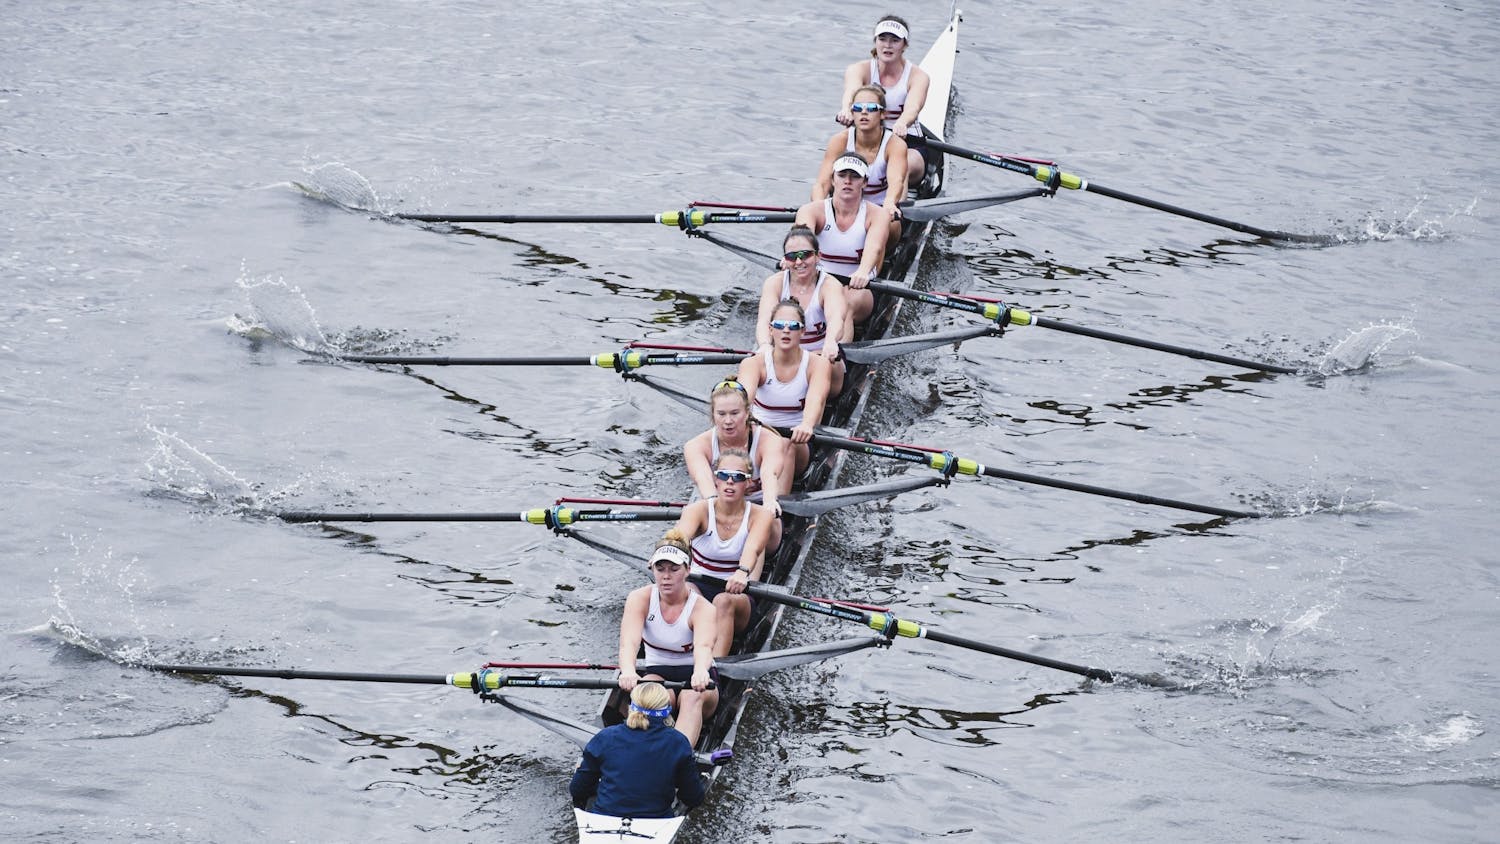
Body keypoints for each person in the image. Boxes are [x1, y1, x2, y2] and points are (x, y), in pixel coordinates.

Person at [616, 534, 719, 746]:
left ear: (688, 570)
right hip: (657, 674)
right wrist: (628, 670)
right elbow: (629, 643)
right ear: (652, 569)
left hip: (699, 681)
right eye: (660, 569)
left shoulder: (703, 609)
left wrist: (700, 671)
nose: (666, 576)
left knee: (690, 698)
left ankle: (676, 759)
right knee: (649, 695)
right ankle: (640, 753)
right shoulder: (639, 598)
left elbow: (704, 647)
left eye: (674, 569)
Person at [673, 448, 775, 658]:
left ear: (748, 484)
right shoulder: (697, 511)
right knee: (683, 593)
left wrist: (741, 572)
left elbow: (753, 548)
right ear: (715, 480)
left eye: (738, 477)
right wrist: (667, 551)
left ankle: (712, 669)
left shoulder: (761, 516)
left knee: (723, 601)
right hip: (698, 585)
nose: (729, 481)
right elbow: (679, 537)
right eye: (723, 475)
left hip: (736, 596)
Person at [569, 681, 705, 819]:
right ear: (667, 710)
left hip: (605, 817)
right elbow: (693, 798)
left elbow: (577, 789)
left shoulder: (605, 737)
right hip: (656, 822)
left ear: (630, 707)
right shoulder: (678, 743)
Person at [683, 378, 786, 551]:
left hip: (757, 510)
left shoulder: (770, 441)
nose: (728, 421)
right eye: (721, 414)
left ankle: (745, 572)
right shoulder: (695, 446)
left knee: (757, 527)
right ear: (713, 415)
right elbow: (704, 483)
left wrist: (769, 501)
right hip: (719, 510)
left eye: (734, 413)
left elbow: (770, 474)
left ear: (747, 413)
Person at [737, 299, 833, 479]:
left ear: (803, 331)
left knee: (782, 445)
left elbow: (816, 401)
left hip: (796, 440)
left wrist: (806, 424)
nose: (786, 330)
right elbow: (743, 401)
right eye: (780, 325)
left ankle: (774, 504)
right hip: (758, 433)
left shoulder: (817, 364)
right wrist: (742, 420)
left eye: (793, 326)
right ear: (771, 330)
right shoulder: (753, 364)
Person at [794, 154, 889, 327]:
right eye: (842, 175)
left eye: (855, 176)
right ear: (832, 179)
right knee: (790, 307)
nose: (848, 181)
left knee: (843, 305)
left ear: (865, 182)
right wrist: (794, 257)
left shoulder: (877, 214)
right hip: (818, 280)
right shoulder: (812, 211)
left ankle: (834, 353)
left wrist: (863, 272)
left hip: (857, 287)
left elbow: (874, 247)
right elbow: (802, 240)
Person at [756, 226, 849, 397]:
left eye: (805, 255)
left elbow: (836, 318)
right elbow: (764, 321)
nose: (799, 262)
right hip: (782, 354)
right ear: (785, 259)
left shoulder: (830, 285)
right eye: (792, 257)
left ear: (817, 256)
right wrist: (764, 345)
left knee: (826, 373)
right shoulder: (774, 283)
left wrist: (830, 342)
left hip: (821, 354)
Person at [814, 85, 908, 247]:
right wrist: (818, 210)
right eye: (858, 108)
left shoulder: (895, 145)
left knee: (890, 225)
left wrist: (890, 203)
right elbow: (822, 184)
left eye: (871, 108)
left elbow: (896, 181)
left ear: (882, 114)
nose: (864, 112)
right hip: (843, 209)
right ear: (852, 113)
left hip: (879, 211)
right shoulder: (839, 141)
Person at [836, 14, 930, 178]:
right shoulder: (858, 69)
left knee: (899, 165)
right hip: (866, 138)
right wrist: (846, 110)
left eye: (894, 40)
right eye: (883, 39)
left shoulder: (918, 76)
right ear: (875, 41)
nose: (888, 45)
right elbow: (851, 93)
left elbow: (913, 107)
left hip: (908, 142)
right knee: (842, 168)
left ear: (904, 45)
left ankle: (893, 203)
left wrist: (902, 123)